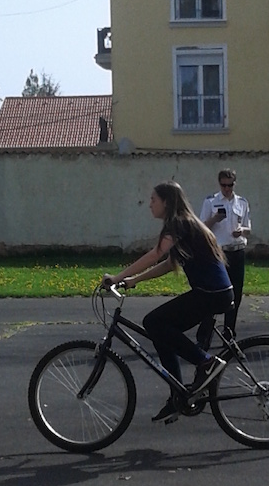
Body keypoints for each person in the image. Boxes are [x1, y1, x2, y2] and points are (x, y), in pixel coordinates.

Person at [104, 181, 233, 422]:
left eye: (153, 199)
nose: (150, 204)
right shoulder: (185, 225)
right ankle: (178, 395)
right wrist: (134, 280)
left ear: (166, 202)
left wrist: (117, 277)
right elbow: (169, 263)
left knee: (154, 322)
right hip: (214, 293)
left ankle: (206, 362)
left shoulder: (179, 223)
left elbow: (156, 254)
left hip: (211, 293)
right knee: (160, 330)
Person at [198, 168, 251, 340]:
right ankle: (205, 335)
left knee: (236, 294)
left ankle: (229, 332)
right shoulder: (211, 201)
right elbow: (201, 228)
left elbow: (248, 228)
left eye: (230, 185)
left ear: (235, 184)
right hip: (219, 253)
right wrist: (215, 219)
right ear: (219, 184)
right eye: (223, 185)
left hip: (237, 250)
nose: (227, 189)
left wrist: (241, 231)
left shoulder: (242, 202)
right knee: (214, 293)